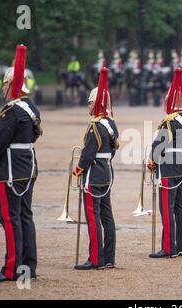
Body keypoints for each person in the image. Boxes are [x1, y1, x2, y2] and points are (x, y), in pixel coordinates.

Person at [0, 45, 42, 282]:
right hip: (27, 167)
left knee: (10, 218)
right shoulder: (31, 108)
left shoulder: (11, 110)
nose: (4, 89)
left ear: (10, 85)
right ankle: (28, 265)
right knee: (25, 216)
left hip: (8, 169)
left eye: (6, 85)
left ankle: (11, 269)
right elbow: (35, 134)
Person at [72, 67, 119, 270]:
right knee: (107, 218)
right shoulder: (111, 124)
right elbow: (113, 149)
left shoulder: (95, 125)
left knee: (93, 217)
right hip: (107, 173)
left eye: (90, 102)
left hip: (93, 175)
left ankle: (95, 259)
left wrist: (79, 168)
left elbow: (88, 153)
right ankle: (108, 258)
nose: (88, 106)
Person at [147, 67, 182, 258]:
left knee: (166, 209)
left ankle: (168, 248)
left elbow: (158, 144)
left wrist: (152, 159)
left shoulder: (168, 121)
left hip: (168, 166)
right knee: (179, 207)